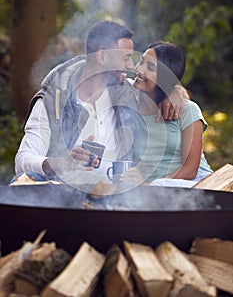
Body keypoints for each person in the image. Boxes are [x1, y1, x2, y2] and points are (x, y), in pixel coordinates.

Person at [12, 21, 183, 186]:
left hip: (115, 195)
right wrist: (60, 163)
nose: (132, 66)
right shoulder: (53, 101)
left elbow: (154, 84)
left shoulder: (126, 91)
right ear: (102, 56)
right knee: (22, 182)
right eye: (126, 58)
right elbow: (23, 160)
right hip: (63, 194)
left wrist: (173, 91)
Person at [123, 41, 213, 186]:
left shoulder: (187, 110)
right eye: (141, 62)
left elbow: (190, 170)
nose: (140, 69)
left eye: (150, 67)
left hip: (190, 184)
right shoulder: (127, 101)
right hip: (150, 190)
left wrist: (152, 186)